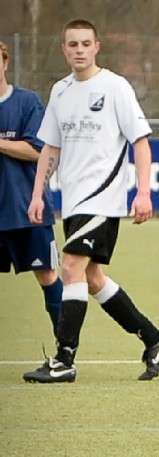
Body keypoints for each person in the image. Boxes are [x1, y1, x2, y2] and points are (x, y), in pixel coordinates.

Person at [22, 19, 159, 383]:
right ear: (64, 49)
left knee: (71, 268)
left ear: (96, 47)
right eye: (72, 44)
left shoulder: (115, 87)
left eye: (85, 43)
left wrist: (142, 191)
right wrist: (37, 194)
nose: (78, 50)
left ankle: (64, 359)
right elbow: (50, 148)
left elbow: (140, 141)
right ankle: (155, 339)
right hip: (72, 202)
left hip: (102, 200)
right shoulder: (59, 92)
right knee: (92, 278)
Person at [0, 40, 63, 336]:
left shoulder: (27, 102)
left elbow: (38, 150)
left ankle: (65, 350)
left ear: (5, 63)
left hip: (25, 208)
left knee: (47, 275)